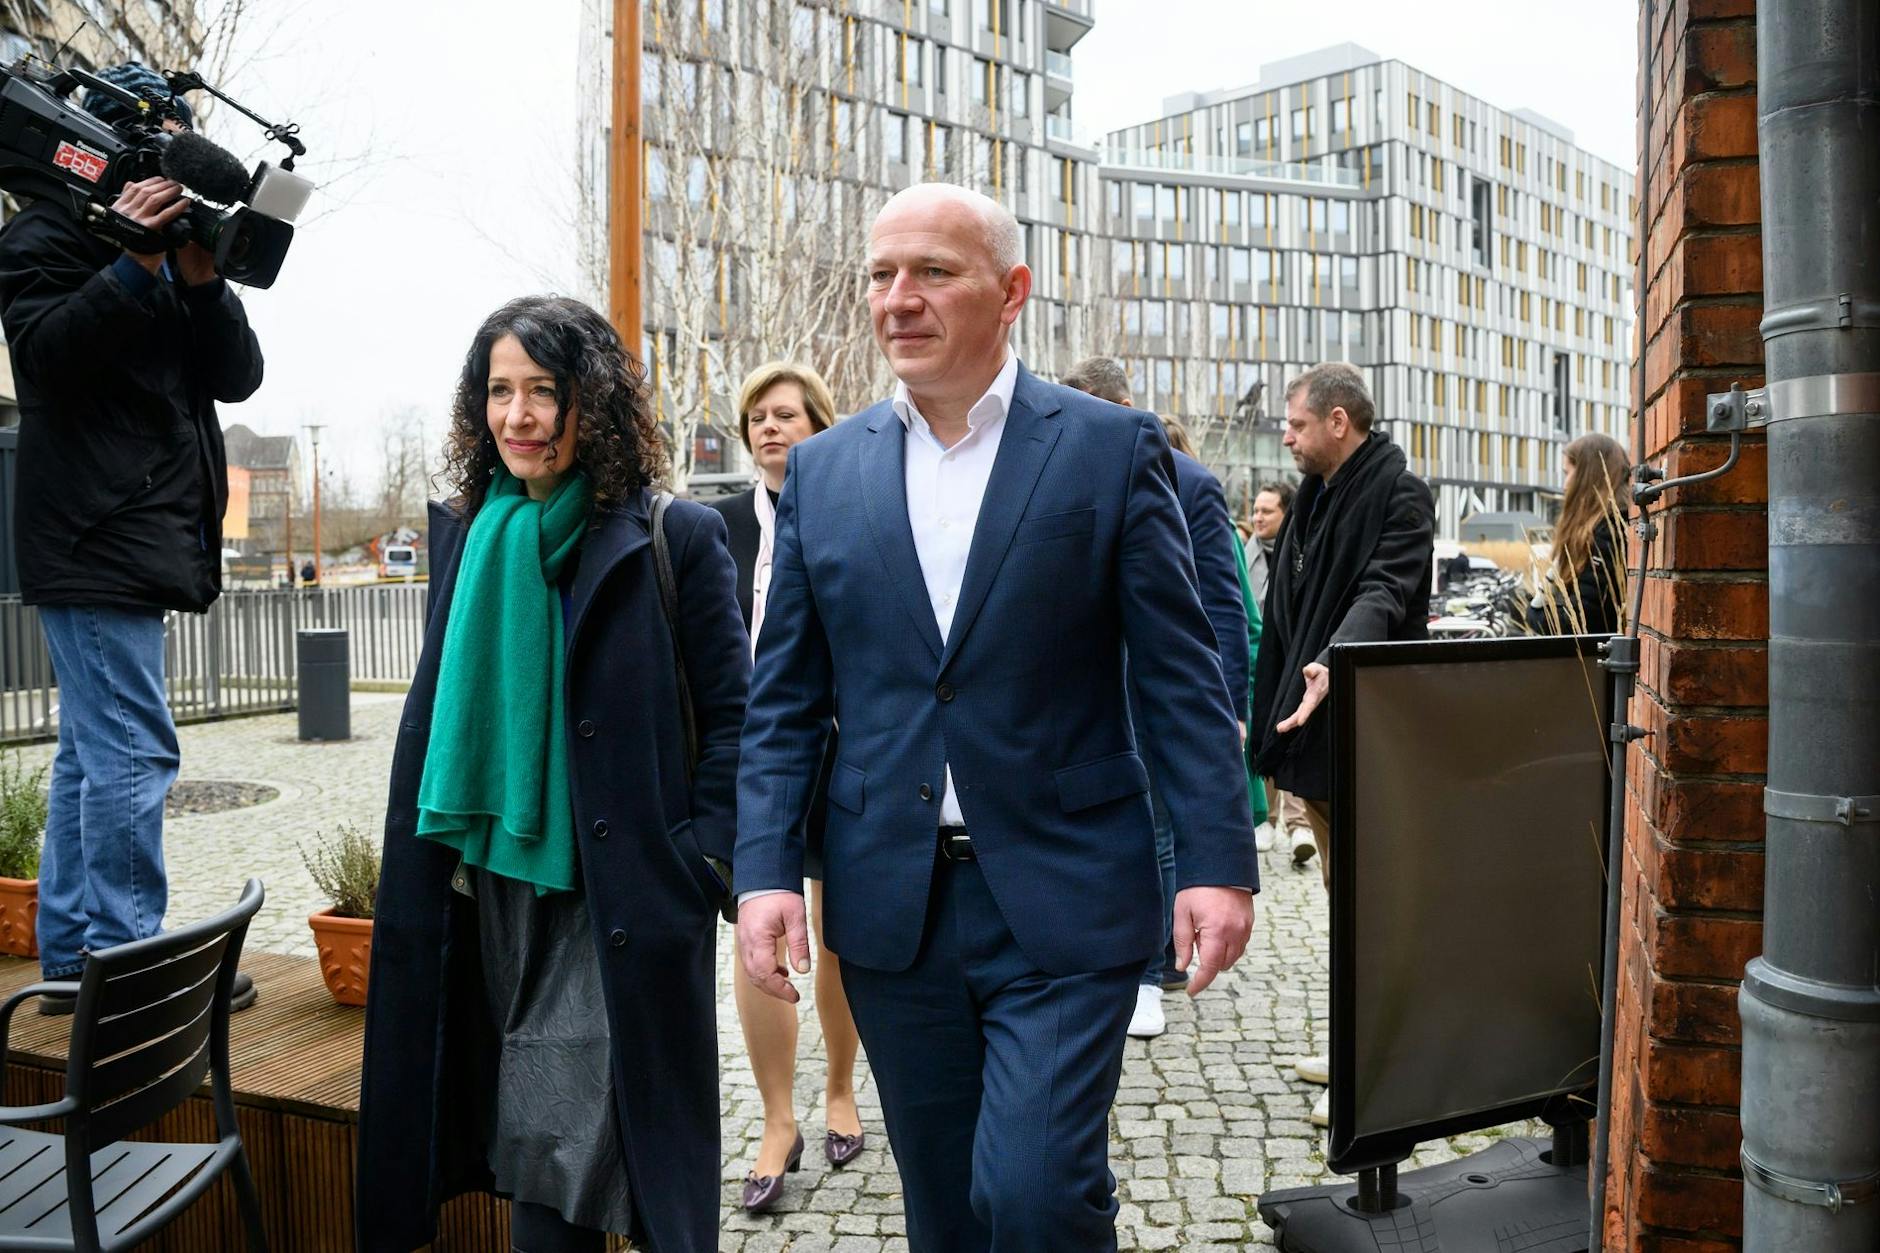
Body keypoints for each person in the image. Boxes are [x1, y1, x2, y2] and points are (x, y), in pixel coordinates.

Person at [735, 183, 1256, 1253]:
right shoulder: (824, 473)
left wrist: (1214, 859)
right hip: (892, 906)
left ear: (1010, 290)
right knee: (944, 1209)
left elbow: (1177, 675)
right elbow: (783, 696)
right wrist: (763, 870)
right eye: (880, 274)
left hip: (1064, 892)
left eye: (932, 271)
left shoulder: (1107, 450)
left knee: (1032, 1193)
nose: (897, 299)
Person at [356, 296, 748, 1253]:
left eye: (544, 390)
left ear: (595, 402)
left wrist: (700, 860)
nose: (519, 416)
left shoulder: (676, 536)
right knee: (526, 1147)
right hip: (476, 887)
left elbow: (739, 720)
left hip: (608, 896)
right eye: (500, 391)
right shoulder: (464, 533)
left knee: (556, 1178)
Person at [0, 64, 262, 1013]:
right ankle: (127, 966)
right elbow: (44, 357)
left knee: (90, 752)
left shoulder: (170, 250)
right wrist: (130, 264)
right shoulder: (41, 232)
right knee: (135, 751)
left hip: (128, 538)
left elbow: (237, 379)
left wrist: (198, 282)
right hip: (93, 537)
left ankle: (76, 959)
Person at [1249, 362, 1434, 1129]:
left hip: (1365, 731)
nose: (1285, 436)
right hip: (1313, 734)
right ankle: (1353, 1042)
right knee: (1343, 906)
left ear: (1337, 421)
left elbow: (1386, 590)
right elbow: (1287, 608)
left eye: (1295, 423)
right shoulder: (1316, 496)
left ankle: (1378, 1068)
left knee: (1375, 911)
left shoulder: (1399, 493)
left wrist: (1339, 657)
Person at [1057, 358, 1260, 1040]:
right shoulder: (1057, 477)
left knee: (1160, 829)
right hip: (1082, 695)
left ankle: (1152, 969)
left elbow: (1220, 612)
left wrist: (1228, 708)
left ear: (1122, 406)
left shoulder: (1191, 485)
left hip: (1153, 693)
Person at [708, 361, 867, 1211]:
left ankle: (841, 1086)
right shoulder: (714, 526)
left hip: (843, 747)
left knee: (836, 922)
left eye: (787, 415)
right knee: (753, 925)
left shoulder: (852, 514)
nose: (771, 429)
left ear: (820, 426)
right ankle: (779, 1118)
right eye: (758, 418)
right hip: (748, 757)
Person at [1248, 481, 1314, 862]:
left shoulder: (1299, 551)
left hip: (1295, 661)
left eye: (1267, 511)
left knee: (1290, 735)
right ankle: (1267, 819)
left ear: (1285, 513)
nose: (1257, 517)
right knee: (1264, 736)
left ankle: (1297, 824)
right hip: (1262, 662)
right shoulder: (1245, 552)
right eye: (1255, 510)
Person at [1523, 432, 1628, 636]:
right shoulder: (1616, 524)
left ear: (1587, 476)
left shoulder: (1608, 531)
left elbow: (1586, 618)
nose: (1565, 485)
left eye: (1568, 473)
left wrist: (1536, 615)